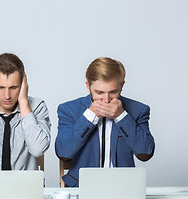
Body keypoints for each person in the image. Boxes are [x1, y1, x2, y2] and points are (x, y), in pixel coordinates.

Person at [55, 57, 155, 187]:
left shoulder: (139, 110)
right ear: (88, 87)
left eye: (113, 92)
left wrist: (121, 116)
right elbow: (63, 153)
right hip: (81, 186)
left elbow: (145, 153)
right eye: (99, 92)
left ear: (122, 86)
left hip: (124, 186)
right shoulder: (68, 110)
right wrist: (90, 116)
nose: (106, 100)